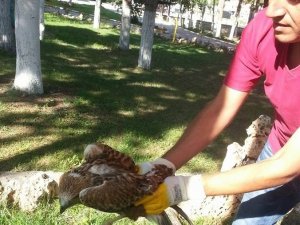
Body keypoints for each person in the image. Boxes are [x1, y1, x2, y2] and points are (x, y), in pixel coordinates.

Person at [135, 0, 300, 224]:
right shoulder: (263, 28)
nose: (272, 11)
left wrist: (181, 188)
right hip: (279, 147)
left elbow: (287, 166)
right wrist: (162, 167)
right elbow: (221, 109)